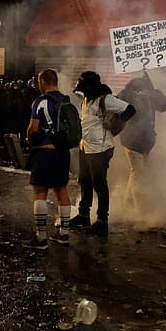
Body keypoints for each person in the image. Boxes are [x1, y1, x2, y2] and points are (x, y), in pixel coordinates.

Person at [70, 71, 135, 237]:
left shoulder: (106, 99)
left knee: (99, 183)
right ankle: (84, 215)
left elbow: (130, 109)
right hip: (86, 147)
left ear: (91, 87)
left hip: (100, 148)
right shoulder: (86, 99)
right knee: (84, 180)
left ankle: (102, 222)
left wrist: (115, 124)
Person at [25, 69, 73, 249]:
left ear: (43, 81)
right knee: (61, 190)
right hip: (62, 153)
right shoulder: (65, 100)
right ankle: (64, 234)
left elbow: (34, 128)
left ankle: (41, 237)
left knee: (40, 192)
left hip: (44, 153)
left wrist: (29, 137)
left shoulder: (41, 101)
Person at [116, 71, 166, 216]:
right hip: (133, 142)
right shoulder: (128, 94)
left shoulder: (133, 94)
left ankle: (127, 205)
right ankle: (141, 213)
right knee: (139, 175)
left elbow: (164, 106)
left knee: (137, 173)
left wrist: (152, 92)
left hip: (143, 141)